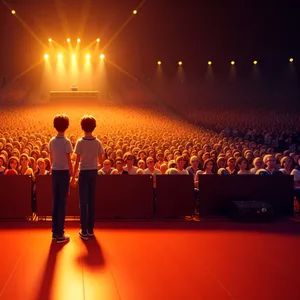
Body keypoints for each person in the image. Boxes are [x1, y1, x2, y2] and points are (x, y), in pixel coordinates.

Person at [71, 115, 104, 241]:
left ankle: (83, 229)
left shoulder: (80, 142)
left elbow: (77, 161)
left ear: (82, 127)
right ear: (94, 127)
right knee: (91, 200)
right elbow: (101, 160)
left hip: (83, 173)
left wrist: (73, 177)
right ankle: (91, 229)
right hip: (94, 172)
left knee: (83, 201)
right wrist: (95, 164)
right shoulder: (97, 142)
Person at [49, 114, 73, 243]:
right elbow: (69, 161)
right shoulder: (66, 141)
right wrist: (73, 175)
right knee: (62, 203)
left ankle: (54, 232)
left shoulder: (52, 141)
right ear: (67, 126)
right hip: (64, 173)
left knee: (55, 201)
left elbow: (51, 158)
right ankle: (60, 234)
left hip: (55, 172)